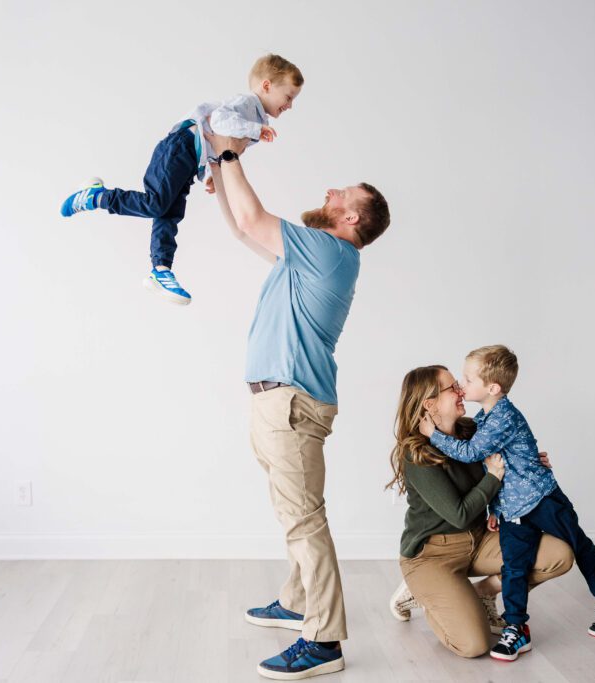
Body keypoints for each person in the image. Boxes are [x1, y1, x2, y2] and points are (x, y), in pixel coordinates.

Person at [205, 127, 389, 680]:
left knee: (303, 518)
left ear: (352, 219)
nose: (330, 192)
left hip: (290, 403)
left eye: (341, 195)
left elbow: (258, 219)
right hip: (277, 401)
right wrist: (218, 171)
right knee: (295, 509)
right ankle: (294, 601)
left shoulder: (330, 252)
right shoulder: (311, 258)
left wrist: (229, 152)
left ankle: (325, 638)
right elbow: (245, 229)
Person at [419, 345, 595, 661]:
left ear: (492, 388)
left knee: (579, 545)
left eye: (467, 378)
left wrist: (432, 434)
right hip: (512, 513)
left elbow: (471, 454)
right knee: (514, 568)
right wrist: (496, 509)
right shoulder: (484, 417)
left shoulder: (503, 417)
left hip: (543, 500)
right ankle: (517, 628)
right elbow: (493, 467)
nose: (462, 385)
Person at [58, 54, 304, 305]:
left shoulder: (256, 116)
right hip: (179, 147)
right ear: (266, 86)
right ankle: (96, 196)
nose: (289, 105)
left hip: (190, 159)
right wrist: (254, 130)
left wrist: (210, 173)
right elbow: (219, 121)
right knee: (156, 204)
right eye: (288, 97)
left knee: (169, 214)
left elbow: (216, 139)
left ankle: (161, 270)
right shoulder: (247, 104)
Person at [387, 365, 575, 658]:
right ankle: (423, 593)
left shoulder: (470, 430)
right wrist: (494, 476)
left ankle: (483, 593)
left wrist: (525, 463)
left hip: (479, 539)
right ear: (429, 403)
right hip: (432, 556)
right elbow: (460, 514)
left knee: (559, 556)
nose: (461, 390)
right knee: (474, 645)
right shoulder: (417, 452)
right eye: (452, 387)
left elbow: (502, 457)